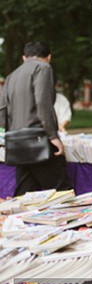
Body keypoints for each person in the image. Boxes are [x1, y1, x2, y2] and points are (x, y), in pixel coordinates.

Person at [0, 42, 72, 195]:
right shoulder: (43, 67)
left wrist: (7, 138)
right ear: (49, 57)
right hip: (38, 139)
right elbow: (43, 103)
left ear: (24, 57)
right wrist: (53, 136)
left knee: (25, 195)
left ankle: (19, 220)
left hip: (17, 142)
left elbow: (2, 110)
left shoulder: (11, 76)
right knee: (63, 192)